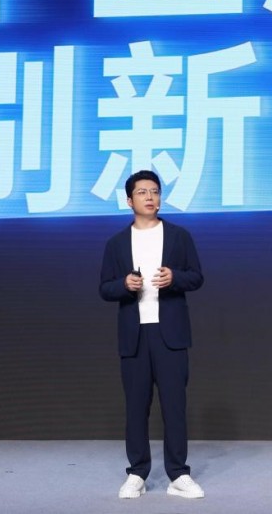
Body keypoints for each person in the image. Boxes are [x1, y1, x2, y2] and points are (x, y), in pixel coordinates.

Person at [98, 169, 206, 499]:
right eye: (142, 192)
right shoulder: (116, 243)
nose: (150, 197)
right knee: (136, 407)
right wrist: (123, 285)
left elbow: (197, 277)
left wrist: (175, 278)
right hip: (134, 336)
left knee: (174, 406)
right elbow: (105, 288)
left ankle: (178, 474)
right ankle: (137, 473)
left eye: (155, 191)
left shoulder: (179, 236)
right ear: (129, 200)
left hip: (170, 333)